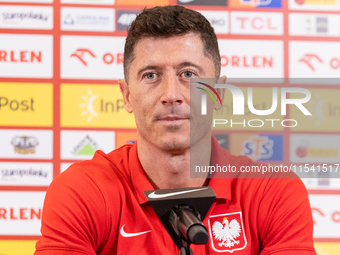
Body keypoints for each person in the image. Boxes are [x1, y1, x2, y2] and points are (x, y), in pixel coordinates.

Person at [34, 5, 316, 255]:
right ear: (127, 95)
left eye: (189, 74)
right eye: (151, 75)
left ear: (218, 94)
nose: (171, 94)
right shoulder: (82, 191)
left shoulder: (274, 191)